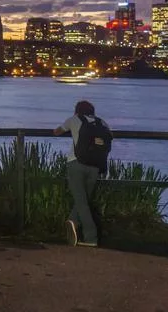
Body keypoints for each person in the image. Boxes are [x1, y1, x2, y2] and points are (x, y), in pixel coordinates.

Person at [54, 100, 112, 247]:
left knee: (81, 201)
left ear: (77, 110)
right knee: (83, 200)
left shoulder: (74, 120)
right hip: (95, 167)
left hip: (76, 164)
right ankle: (72, 222)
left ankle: (91, 238)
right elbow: (110, 137)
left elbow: (57, 131)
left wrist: (70, 130)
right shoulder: (102, 123)